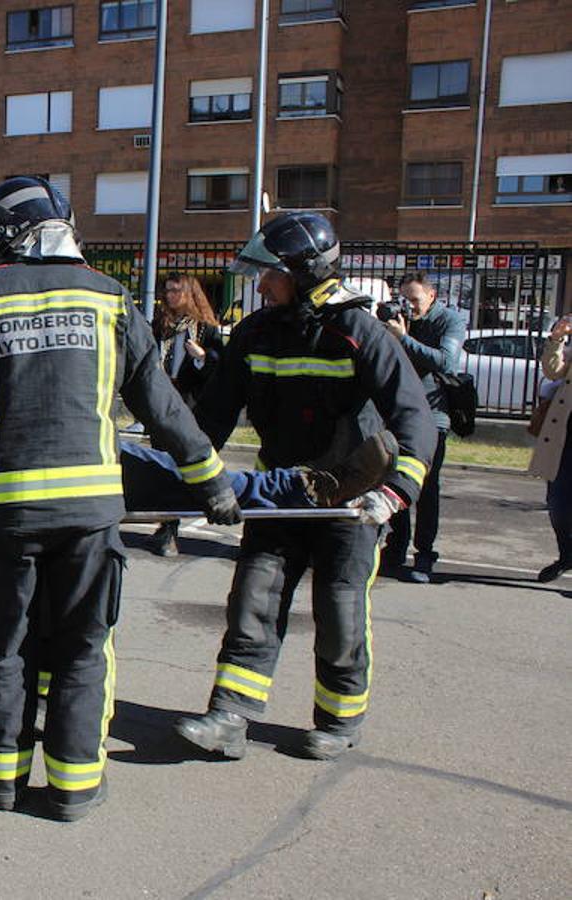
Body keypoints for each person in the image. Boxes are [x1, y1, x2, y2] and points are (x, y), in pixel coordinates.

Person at [0, 177, 242, 822]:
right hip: (90, 515)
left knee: (2, 647)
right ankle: (74, 788)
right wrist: (213, 484)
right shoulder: (111, 298)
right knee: (83, 650)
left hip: (4, 516)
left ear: (8, 236)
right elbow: (163, 405)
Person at [176, 212, 437, 763]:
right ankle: (230, 716)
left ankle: (339, 720)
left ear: (304, 272)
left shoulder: (359, 333)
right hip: (282, 494)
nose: (261, 285)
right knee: (254, 597)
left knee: (339, 611)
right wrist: (193, 482)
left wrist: (393, 494)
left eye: (270, 274)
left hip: (347, 502)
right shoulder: (254, 332)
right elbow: (211, 421)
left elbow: (414, 419)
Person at [379, 271, 466, 583]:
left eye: (415, 300)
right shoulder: (400, 320)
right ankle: (395, 548)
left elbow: (445, 361)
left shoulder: (450, 321)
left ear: (431, 296)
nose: (410, 307)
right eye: (405, 299)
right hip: (399, 413)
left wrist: (404, 338)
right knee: (396, 479)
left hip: (434, 416)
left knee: (427, 488)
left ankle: (425, 555)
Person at [149, 273, 226, 556]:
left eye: (175, 291)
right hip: (162, 401)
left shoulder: (205, 329)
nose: (169, 296)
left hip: (190, 405)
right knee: (162, 464)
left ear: (189, 294)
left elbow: (219, 369)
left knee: (183, 466)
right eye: (166, 291)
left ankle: (172, 527)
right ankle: (166, 526)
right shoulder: (161, 325)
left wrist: (202, 356)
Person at [528, 315, 572, 581]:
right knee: (557, 504)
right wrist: (557, 339)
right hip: (565, 437)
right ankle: (566, 555)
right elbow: (552, 370)